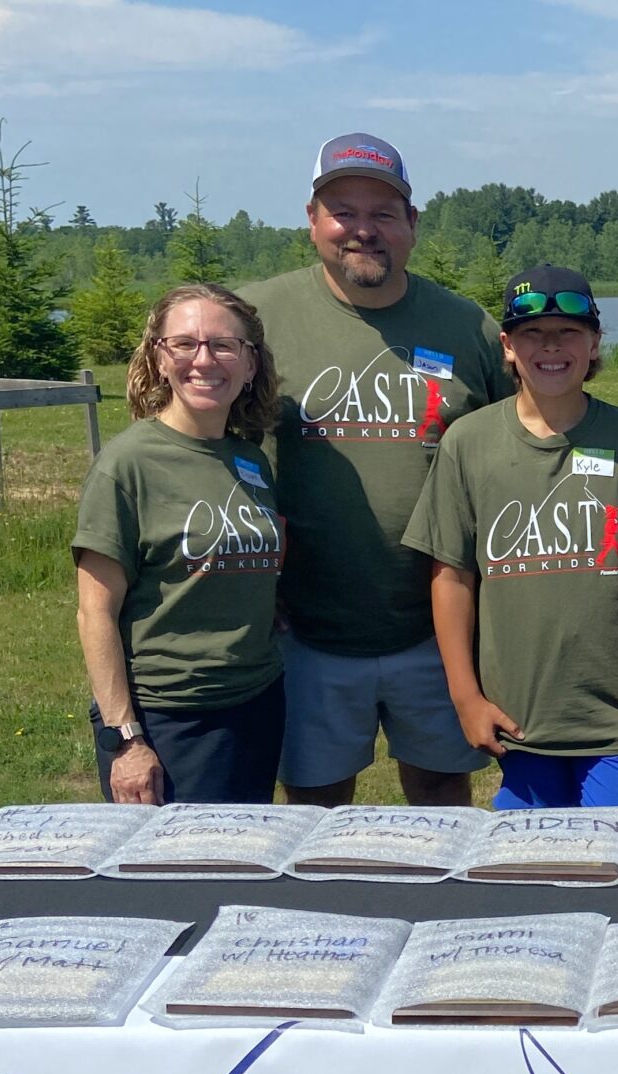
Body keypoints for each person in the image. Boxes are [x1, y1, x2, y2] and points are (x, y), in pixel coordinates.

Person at [240, 133, 511, 808]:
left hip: (436, 626)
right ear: (312, 220)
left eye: (383, 213)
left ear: (412, 224)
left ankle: (443, 915)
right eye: (343, 211)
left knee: (443, 791)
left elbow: (517, 458)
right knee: (315, 804)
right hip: (305, 630)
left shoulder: (465, 328)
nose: (363, 229)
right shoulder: (257, 320)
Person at [404, 265, 618, 811]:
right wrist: (466, 698)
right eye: (532, 333)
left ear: (595, 342)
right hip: (518, 719)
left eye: (569, 332)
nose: (550, 347)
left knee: (617, 869)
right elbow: (451, 575)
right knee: (527, 875)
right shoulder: (469, 442)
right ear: (507, 345)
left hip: (615, 720)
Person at [73, 284, 286, 805]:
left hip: (254, 702)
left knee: (240, 865)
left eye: (224, 345)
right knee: (173, 879)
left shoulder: (250, 460)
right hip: (167, 715)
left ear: (251, 364)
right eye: (184, 344)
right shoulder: (127, 465)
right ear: (159, 359)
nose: (204, 360)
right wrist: (126, 740)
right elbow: (94, 613)